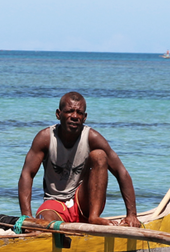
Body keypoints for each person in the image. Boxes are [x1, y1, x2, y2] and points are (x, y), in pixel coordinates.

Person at [17, 92, 141, 227]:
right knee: (44, 223)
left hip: (82, 202)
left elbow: (121, 172)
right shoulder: (45, 138)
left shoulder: (92, 137)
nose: (75, 116)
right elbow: (27, 174)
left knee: (99, 155)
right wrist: (26, 216)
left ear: (85, 117)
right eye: (70, 111)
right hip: (55, 203)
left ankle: (94, 217)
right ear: (58, 114)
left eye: (79, 113)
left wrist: (132, 215)